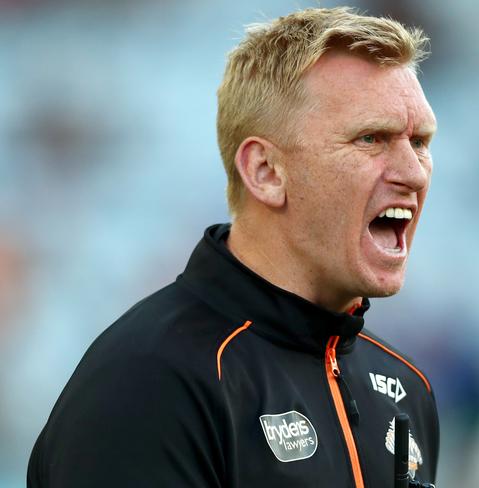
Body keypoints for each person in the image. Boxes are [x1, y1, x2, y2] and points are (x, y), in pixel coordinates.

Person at [28, 7, 439, 487]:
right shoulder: (150, 381)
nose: (413, 172)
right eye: (371, 138)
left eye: (421, 141)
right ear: (265, 171)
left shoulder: (406, 386)